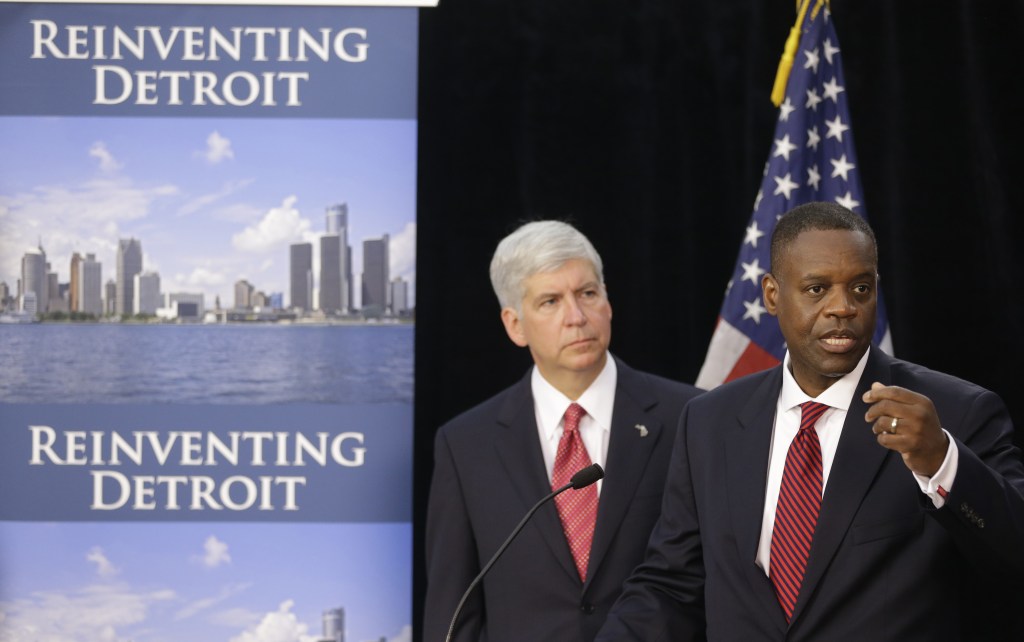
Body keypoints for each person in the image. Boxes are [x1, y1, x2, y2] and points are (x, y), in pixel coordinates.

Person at [597, 201, 1024, 641]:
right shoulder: (709, 421)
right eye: (817, 289)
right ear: (772, 295)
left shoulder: (955, 413)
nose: (843, 308)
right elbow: (671, 585)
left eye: (860, 289)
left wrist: (942, 461)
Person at [423, 220, 702, 642]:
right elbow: (452, 613)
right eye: (550, 301)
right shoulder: (466, 446)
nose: (577, 317)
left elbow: (712, 581)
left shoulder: (690, 416)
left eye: (587, 293)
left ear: (607, 302)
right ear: (515, 324)